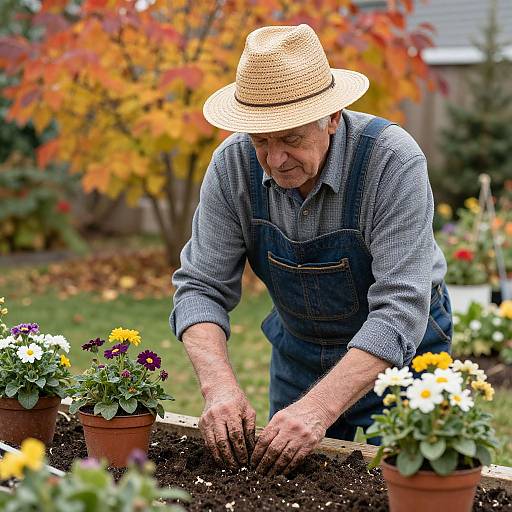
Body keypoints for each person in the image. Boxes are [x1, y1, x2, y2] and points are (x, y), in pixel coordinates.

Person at [170, 24, 452, 476]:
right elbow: (200, 287)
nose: (275, 158)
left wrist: (319, 408)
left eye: (292, 139)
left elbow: (400, 308)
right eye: (261, 140)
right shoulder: (232, 166)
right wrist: (218, 387)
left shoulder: (391, 161)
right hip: (300, 354)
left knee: (414, 486)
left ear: (333, 117)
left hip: (407, 364)